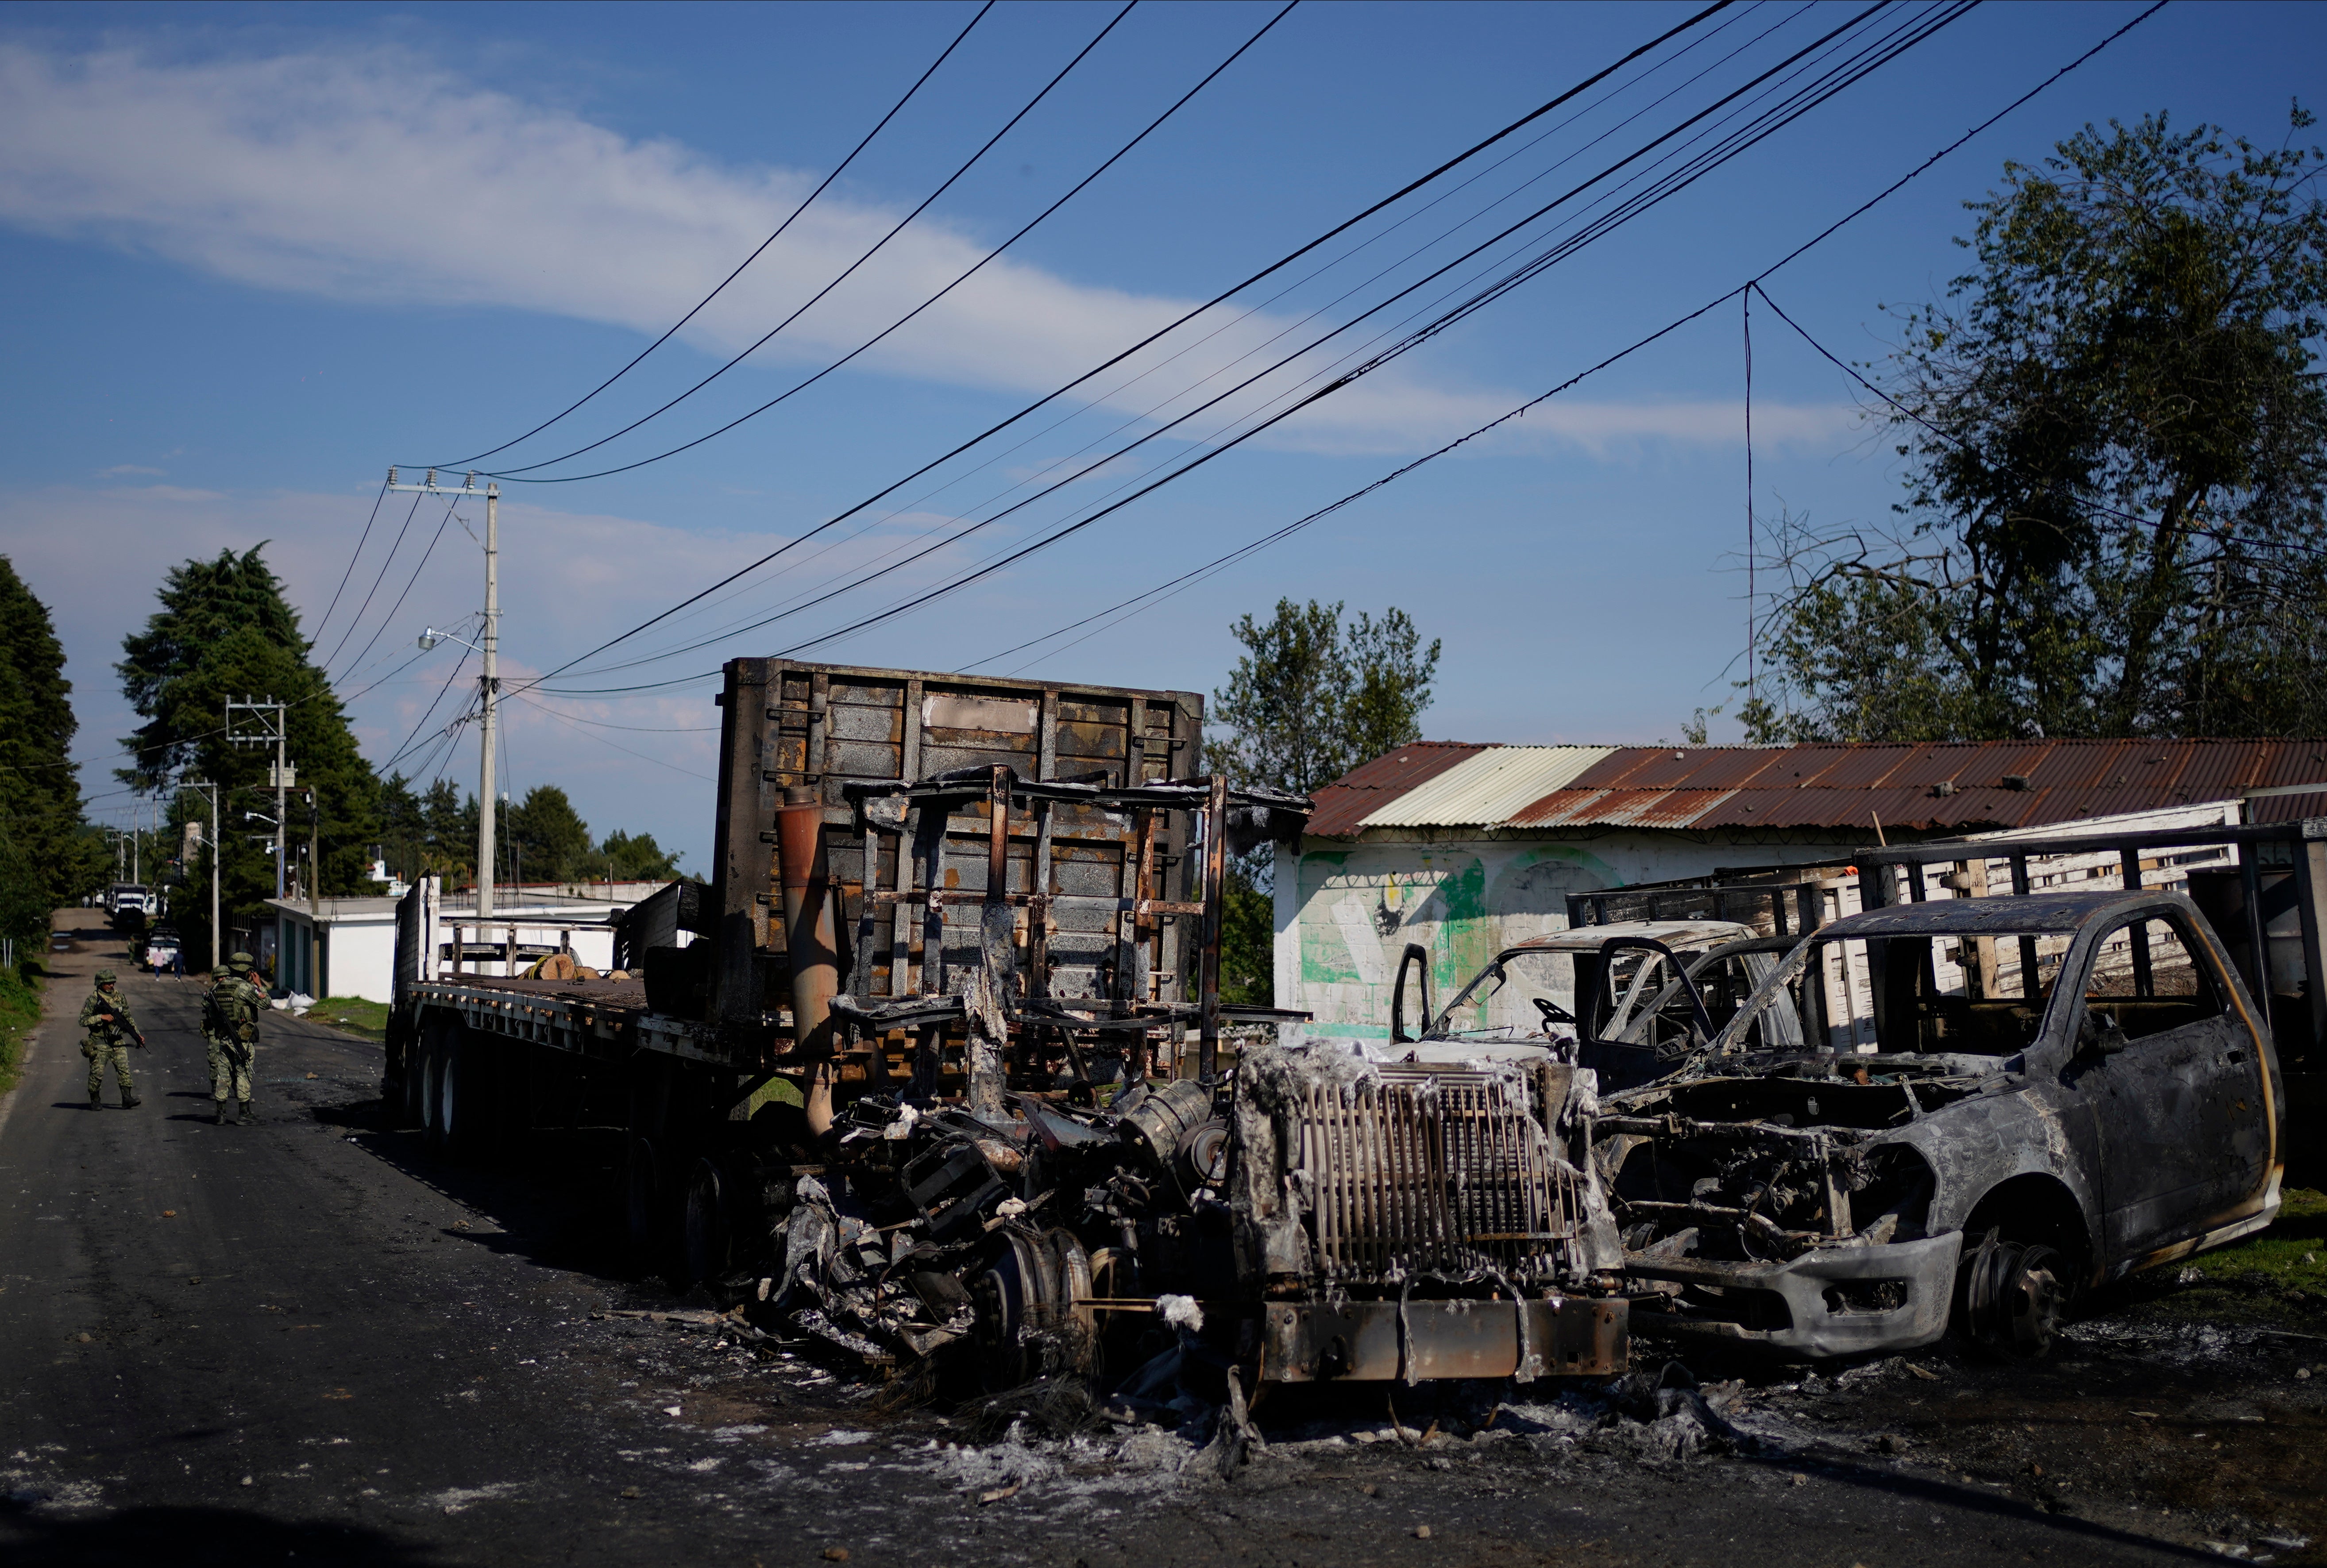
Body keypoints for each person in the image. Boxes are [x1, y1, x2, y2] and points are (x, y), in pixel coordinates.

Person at [201, 951, 266, 1125]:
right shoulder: (245, 988)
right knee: (243, 1073)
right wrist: (259, 985)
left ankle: (220, 1114)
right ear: (248, 970)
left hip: (224, 1038)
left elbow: (208, 1007)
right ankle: (244, 1114)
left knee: (223, 1075)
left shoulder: (217, 988)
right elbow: (266, 1003)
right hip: (242, 1039)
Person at [77, 969, 142, 1110]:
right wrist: (101, 1018)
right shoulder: (93, 999)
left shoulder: (120, 997)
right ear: (100, 984)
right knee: (97, 1074)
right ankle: (95, 1100)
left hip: (117, 1041)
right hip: (99, 1042)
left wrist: (137, 1035)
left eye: (113, 982)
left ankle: (127, 1098)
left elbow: (128, 1018)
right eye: (108, 983)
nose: (112, 985)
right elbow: (83, 1020)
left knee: (124, 1070)